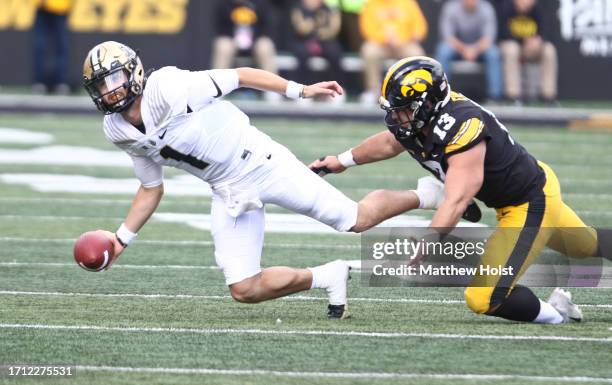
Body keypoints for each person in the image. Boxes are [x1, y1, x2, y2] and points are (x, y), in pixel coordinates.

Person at [81, 41, 443, 319]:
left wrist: (299, 90)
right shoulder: (117, 129)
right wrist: (121, 239)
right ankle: (326, 277)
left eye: (113, 79)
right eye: (100, 86)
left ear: (135, 71)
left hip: (261, 161)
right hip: (227, 191)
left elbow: (240, 76)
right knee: (244, 288)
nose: (109, 90)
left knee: (355, 220)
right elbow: (150, 187)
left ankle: (424, 194)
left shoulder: (168, 87)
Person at [310, 56, 612, 324]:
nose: (396, 117)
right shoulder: (422, 121)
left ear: (428, 104)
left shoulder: (462, 125)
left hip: (529, 201)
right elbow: (390, 142)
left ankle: (557, 315)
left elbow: (458, 198)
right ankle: (559, 309)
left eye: (404, 110)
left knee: (484, 297)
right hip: (526, 189)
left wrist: (431, 238)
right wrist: (343, 160)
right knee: (585, 245)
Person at [358, 0, 427, 105]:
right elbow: (366, 29)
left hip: (404, 44)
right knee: (369, 51)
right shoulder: (371, 4)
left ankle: (414, 91)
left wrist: (407, 37)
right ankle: (373, 91)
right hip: (380, 44)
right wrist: (385, 38)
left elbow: (420, 26)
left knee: (418, 53)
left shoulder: (408, 2)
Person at [211, 0, 279, 101]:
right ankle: (217, 89)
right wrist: (237, 38)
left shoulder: (260, 4)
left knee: (265, 45)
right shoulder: (224, 4)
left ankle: (273, 90)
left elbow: (266, 28)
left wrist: (251, 39)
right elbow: (220, 28)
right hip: (232, 40)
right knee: (223, 45)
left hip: (255, 41)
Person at [436, 0, 503, 102]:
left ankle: (494, 96)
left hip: (480, 48)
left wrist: (474, 50)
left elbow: (488, 38)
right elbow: (448, 37)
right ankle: (441, 93)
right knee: (443, 50)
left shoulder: (486, 8)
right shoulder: (451, 7)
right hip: (457, 48)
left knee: (493, 53)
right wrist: (465, 50)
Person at [498, 0, 558, 105]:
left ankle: (548, 96)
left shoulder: (538, 8)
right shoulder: (506, 7)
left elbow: (547, 30)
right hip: (512, 44)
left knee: (549, 50)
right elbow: (502, 33)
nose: (525, 2)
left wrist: (539, 40)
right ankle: (513, 96)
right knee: (512, 49)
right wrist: (523, 39)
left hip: (531, 47)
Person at [289, 0, 345, 102]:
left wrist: (320, 31)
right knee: (302, 53)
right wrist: (315, 24)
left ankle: (337, 90)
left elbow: (333, 29)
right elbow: (301, 28)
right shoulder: (298, 7)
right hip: (304, 41)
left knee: (334, 52)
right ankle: (302, 91)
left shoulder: (328, 9)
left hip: (324, 41)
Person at [32, 0, 73, 95]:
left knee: (61, 46)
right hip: (42, 7)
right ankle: (40, 81)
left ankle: (60, 81)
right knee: (41, 46)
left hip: (60, 6)